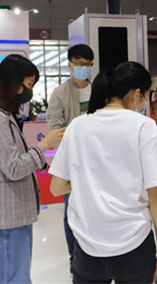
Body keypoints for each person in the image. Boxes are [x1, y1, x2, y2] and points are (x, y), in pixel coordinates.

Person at [48, 61, 157, 284]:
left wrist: (88, 181)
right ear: (136, 94)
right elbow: (156, 196)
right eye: (145, 96)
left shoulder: (77, 126)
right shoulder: (144, 127)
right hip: (134, 245)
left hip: (87, 248)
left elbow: (56, 188)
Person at [0, 54, 65, 284]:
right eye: (28, 85)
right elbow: (14, 168)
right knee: (12, 276)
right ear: (13, 83)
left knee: (17, 274)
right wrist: (44, 146)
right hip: (8, 214)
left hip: (16, 212)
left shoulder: (6, 116)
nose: (29, 92)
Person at [45, 44, 94, 267]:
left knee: (96, 206)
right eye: (80, 64)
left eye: (89, 64)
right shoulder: (60, 93)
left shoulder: (99, 90)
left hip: (98, 159)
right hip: (73, 161)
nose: (85, 68)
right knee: (72, 209)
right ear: (70, 65)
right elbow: (55, 130)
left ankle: (95, 253)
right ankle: (75, 257)